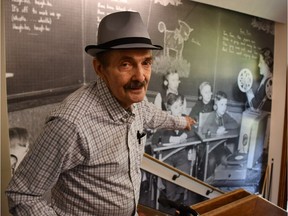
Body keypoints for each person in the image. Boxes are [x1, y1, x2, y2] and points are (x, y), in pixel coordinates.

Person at [6, 11, 196, 216]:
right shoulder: (71, 124)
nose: (140, 76)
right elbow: (22, 195)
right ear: (99, 68)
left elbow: (153, 115)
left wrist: (182, 122)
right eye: (126, 64)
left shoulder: (136, 100)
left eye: (146, 63)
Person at [152, 93, 194, 204]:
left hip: (181, 155)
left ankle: (178, 196)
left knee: (185, 170)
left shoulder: (184, 118)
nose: (179, 109)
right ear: (169, 109)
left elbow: (194, 129)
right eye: (176, 107)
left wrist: (185, 135)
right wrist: (171, 139)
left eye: (180, 106)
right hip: (167, 156)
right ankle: (171, 198)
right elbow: (154, 139)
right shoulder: (164, 119)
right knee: (169, 173)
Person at [199, 91, 239, 179]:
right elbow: (204, 128)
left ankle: (221, 182)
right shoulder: (212, 115)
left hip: (219, 147)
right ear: (215, 106)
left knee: (228, 158)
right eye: (221, 105)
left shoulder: (224, 115)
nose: (224, 108)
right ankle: (208, 183)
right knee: (211, 160)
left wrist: (224, 126)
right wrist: (216, 130)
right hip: (209, 148)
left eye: (225, 104)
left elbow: (235, 124)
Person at [246, 47, 273, 112]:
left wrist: (247, 88)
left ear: (267, 63)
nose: (258, 65)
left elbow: (255, 106)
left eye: (261, 62)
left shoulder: (268, 82)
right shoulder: (265, 79)